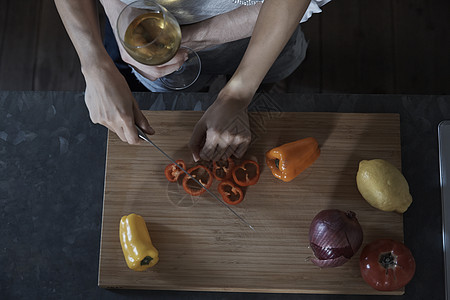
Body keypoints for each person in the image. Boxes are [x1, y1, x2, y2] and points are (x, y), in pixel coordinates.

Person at [55, 0, 331, 162]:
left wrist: (239, 92)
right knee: (173, 90)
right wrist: (95, 66)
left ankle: (262, 86)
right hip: (146, 37)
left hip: (265, 32)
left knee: (274, 72)